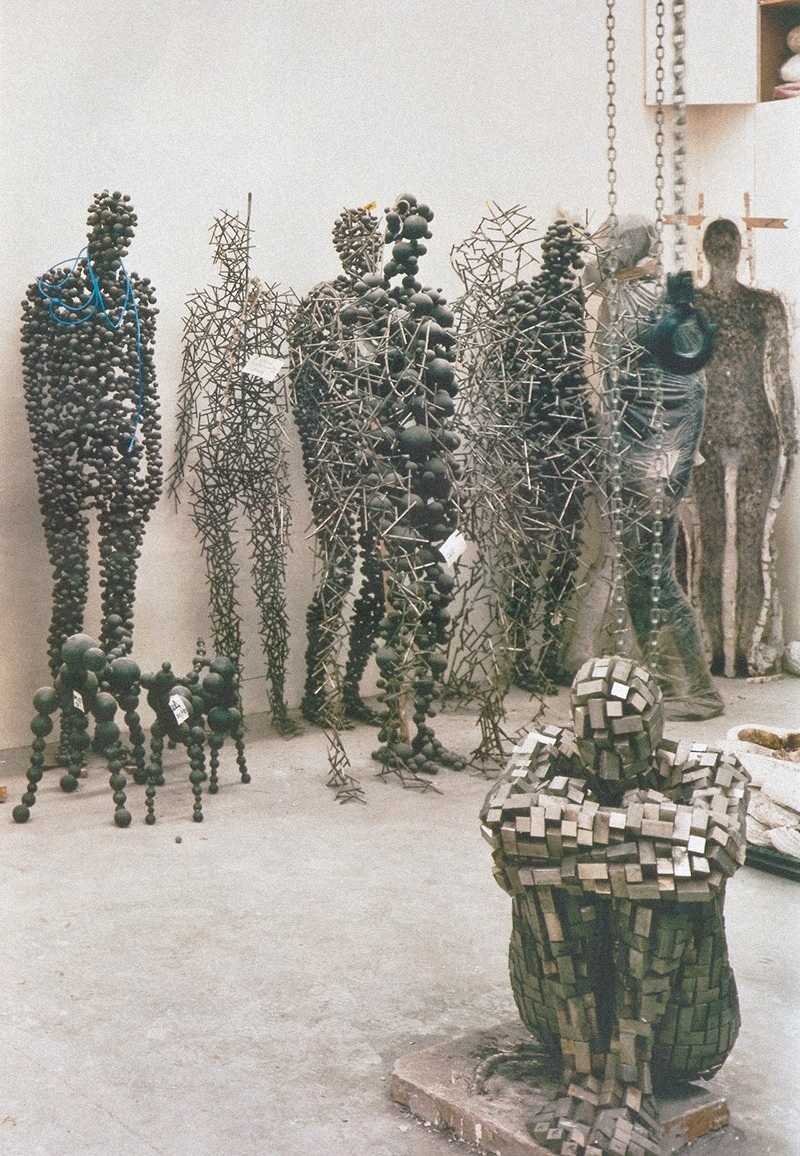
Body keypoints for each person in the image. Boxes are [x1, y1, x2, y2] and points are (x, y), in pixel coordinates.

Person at [480, 654, 748, 1156]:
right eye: (595, 743)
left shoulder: (711, 768)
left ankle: (629, 1081)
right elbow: (502, 822)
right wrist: (649, 829)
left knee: (658, 889)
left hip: (680, 1032)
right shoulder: (545, 750)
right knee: (589, 879)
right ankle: (582, 1075)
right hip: (553, 1018)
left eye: (624, 744)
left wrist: (563, 834)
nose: (608, 765)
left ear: (655, 724)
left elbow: (715, 848)